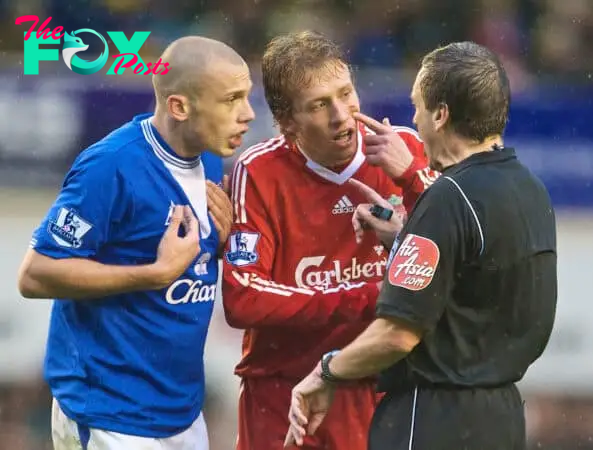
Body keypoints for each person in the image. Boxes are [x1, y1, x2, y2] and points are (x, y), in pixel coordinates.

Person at [285, 41, 558, 450]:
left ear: (441, 114)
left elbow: (397, 334)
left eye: (416, 106)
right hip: (502, 417)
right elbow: (477, 283)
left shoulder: (449, 197)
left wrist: (327, 372)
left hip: (433, 418)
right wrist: (404, 240)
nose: (412, 119)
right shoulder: (531, 190)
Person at [16, 35, 254, 450]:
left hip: (180, 413)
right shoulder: (110, 165)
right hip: (110, 413)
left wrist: (218, 245)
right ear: (180, 106)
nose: (248, 114)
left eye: (247, 97)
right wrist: (155, 273)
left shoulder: (211, 158)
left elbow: (187, 263)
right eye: (231, 99)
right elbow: (35, 275)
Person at [221, 30, 438, 450]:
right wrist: (369, 295)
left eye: (345, 93)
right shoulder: (259, 171)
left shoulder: (407, 152)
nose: (342, 115)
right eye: (319, 105)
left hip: (385, 390)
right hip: (284, 395)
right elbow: (243, 297)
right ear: (286, 123)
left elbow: (453, 262)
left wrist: (413, 180)